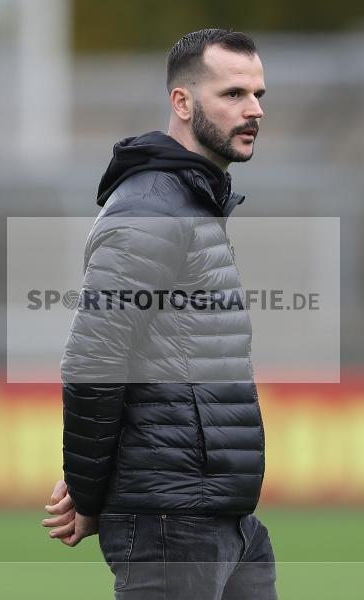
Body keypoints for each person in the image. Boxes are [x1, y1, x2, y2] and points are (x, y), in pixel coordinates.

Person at [41, 29, 275, 599]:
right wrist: (89, 494)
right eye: (233, 94)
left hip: (223, 516)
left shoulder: (191, 200)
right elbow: (95, 360)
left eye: (258, 94)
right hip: (171, 521)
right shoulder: (153, 209)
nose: (253, 110)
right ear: (182, 103)